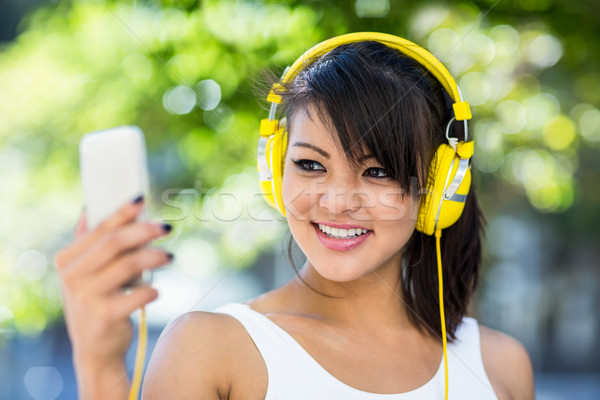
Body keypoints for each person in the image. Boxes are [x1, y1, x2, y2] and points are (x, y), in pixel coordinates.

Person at [54, 33, 535, 400]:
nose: (336, 200)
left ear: (438, 187)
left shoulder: (500, 366)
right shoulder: (211, 348)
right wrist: (98, 369)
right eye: (310, 164)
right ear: (274, 171)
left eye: (377, 171)